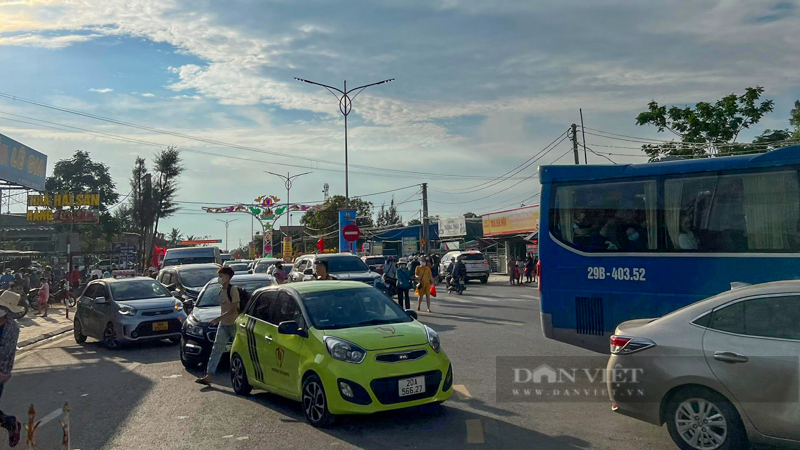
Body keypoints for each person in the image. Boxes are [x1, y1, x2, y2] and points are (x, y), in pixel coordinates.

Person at [196, 267, 239, 386]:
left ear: (228, 277)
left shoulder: (233, 290)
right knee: (216, 350)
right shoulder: (221, 290)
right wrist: (220, 320)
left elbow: (233, 309)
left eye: (222, 276)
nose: (220, 278)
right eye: (219, 276)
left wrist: (218, 319)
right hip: (223, 325)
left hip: (234, 325)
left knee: (240, 351)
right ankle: (209, 376)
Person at [0, 294, 23, 447]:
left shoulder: (11, 328)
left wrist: (3, 373)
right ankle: (10, 423)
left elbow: (7, 354)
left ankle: (11, 423)